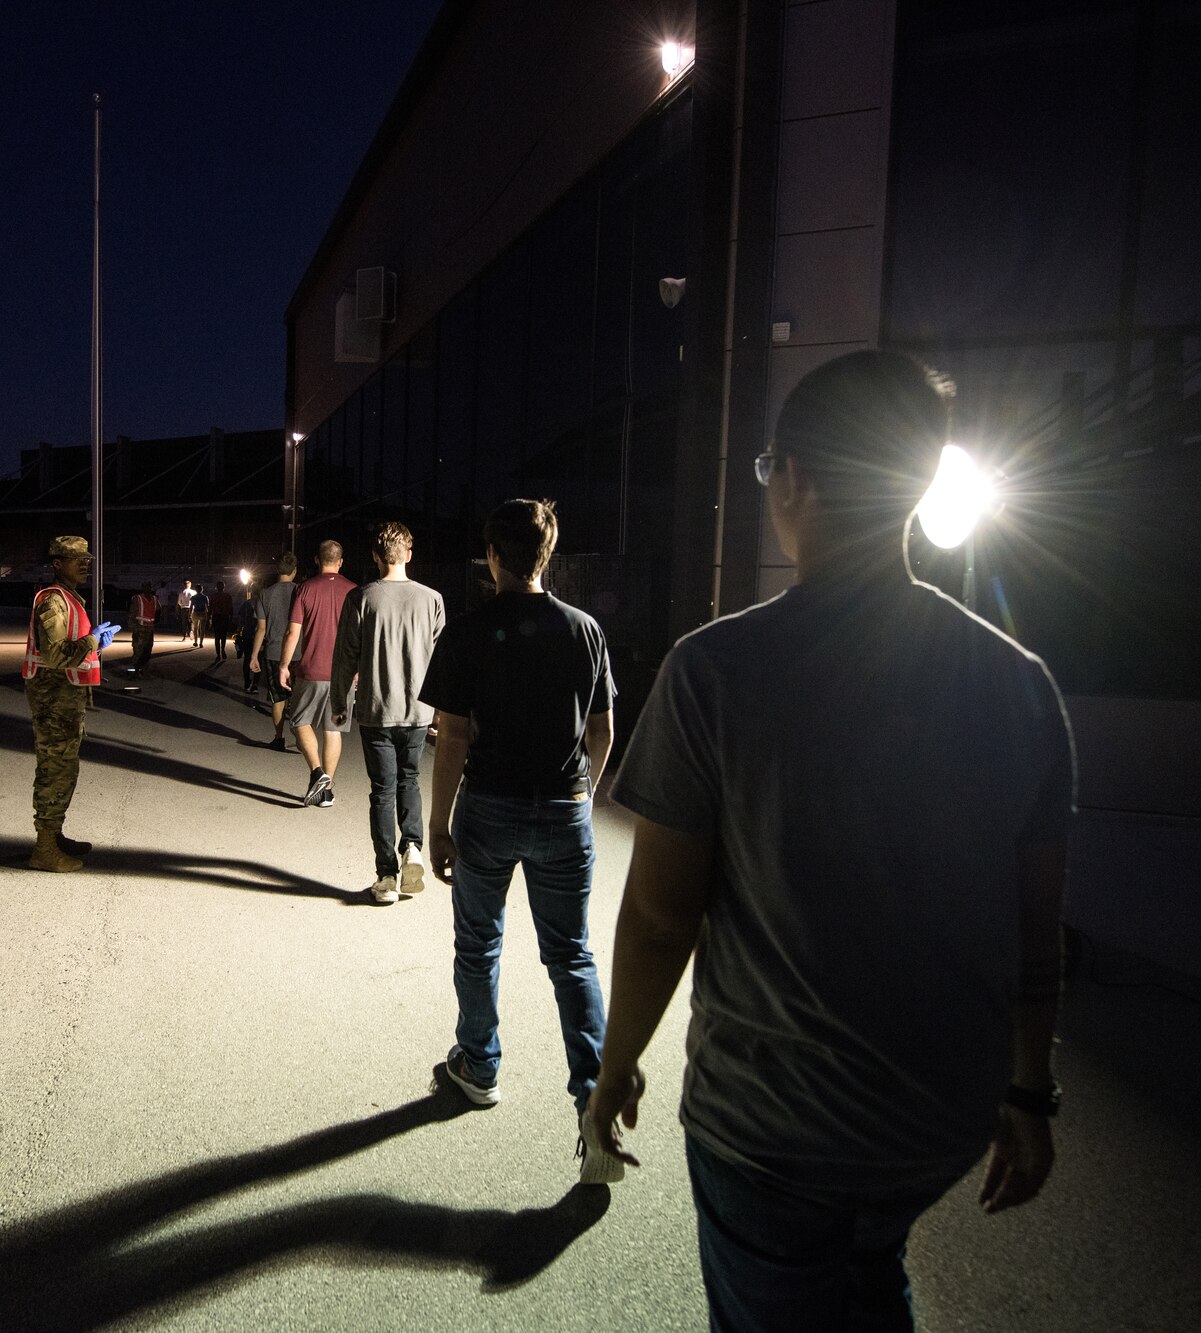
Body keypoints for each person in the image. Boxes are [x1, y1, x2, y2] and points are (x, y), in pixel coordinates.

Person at [588, 351, 1075, 1331]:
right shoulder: (1018, 683)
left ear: (793, 476)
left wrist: (615, 1063)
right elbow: (1035, 924)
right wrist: (1030, 1091)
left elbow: (656, 915)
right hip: (935, 1121)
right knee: (867, 1268)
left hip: (772, 1128)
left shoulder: (716, 671)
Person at [420, 499, 619, 1185]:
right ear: (548, 554)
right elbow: (602, 732)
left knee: (479, 941)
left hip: (491, 809)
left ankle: (478, 1063)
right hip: (564, 808)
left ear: (494, 556)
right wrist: (579, 803)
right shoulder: (584, 629)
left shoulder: (471, 631)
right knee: (571, 953)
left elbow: (451, 735)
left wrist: (438, 823)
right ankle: (594, 1103)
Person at [329, 521, 446, 905]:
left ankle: (385, 877)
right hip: (419, 710)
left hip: (377, 709)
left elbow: (345, 656)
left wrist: (339, 700)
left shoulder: (362, 598)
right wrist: (443, 711)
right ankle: (412, 847)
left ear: (376, 557)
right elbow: (442, 662)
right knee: (409, 781)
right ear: (409, 554)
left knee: (382, 790)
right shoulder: (432, 600)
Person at [21, 536, 120, 873]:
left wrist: (94, 646)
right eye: (75, 558)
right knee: (55, 771)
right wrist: (92, 640)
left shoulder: (69, 599)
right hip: (53, 701)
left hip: (63, 700)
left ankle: (54, 834)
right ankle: (44, 848)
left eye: (86, 559)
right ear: (57, 563)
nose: (84, 564)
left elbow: (73, 650)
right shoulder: (53, 602)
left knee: (64, 770)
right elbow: (56, 654)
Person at [279, 541, 356, 806]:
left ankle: (317, 772)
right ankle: (327, 791)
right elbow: (363, 637)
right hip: (344, 675)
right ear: (341, 561)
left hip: (311, 670)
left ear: (316, 559)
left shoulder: (305, 589)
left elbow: (293, 632)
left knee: (299, 722)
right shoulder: (355, 592)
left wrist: (283, 665)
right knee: (332, 730)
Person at [251, 552, 300, 750]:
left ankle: (278, 738)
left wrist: (254, 655)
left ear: (276, 570)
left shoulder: (265, 593)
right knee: (298, 698)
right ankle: (301, 737)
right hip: (299, 652)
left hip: (273, 653)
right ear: (294, 571)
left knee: (277, 698)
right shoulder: (302, 591)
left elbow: (261, 629)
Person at [236, 579, 261, 690]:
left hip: (247, 635)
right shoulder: (263, 603)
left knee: (247, 659)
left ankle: (247, 682)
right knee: (259, 660)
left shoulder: (246, 603)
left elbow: (240, 620)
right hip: (260, 637)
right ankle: (255, 685)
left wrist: (238, 633)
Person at [128, 582, 158, 673]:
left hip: (150, 628)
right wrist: (133, 627)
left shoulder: (155, 599)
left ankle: (144, 669)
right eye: (146, 587)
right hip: (139, 628)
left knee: (147, 650)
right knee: (138, 650)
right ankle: (136, 670)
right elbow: (132, 613)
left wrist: (156, 622)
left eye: (149, 587)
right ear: (143, 588)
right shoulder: (137, 598)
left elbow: (158, 611)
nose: (148, 589)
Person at [209, 581, 235, 661]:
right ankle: (223, 650)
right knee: (223, 636)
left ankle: (218, 654)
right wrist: (231, 618)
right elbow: (231, 608)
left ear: (216, 587)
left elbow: (210, 608)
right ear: (224, 587)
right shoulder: (228, 596)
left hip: (216, 617)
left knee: (217, 636)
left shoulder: (213, 596)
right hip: (225, 617)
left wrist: (209, 618)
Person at [190, 583, 211, 647]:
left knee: (195, 628)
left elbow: (191, 606)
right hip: (203, 612)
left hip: (195, 612)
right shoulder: (205, 597)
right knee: (202, 629)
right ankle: (201, 643)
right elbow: (207, 607)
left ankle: (195, 641)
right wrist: (209, 615)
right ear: (202, 589)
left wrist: (189, 614)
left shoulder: (193, 597)